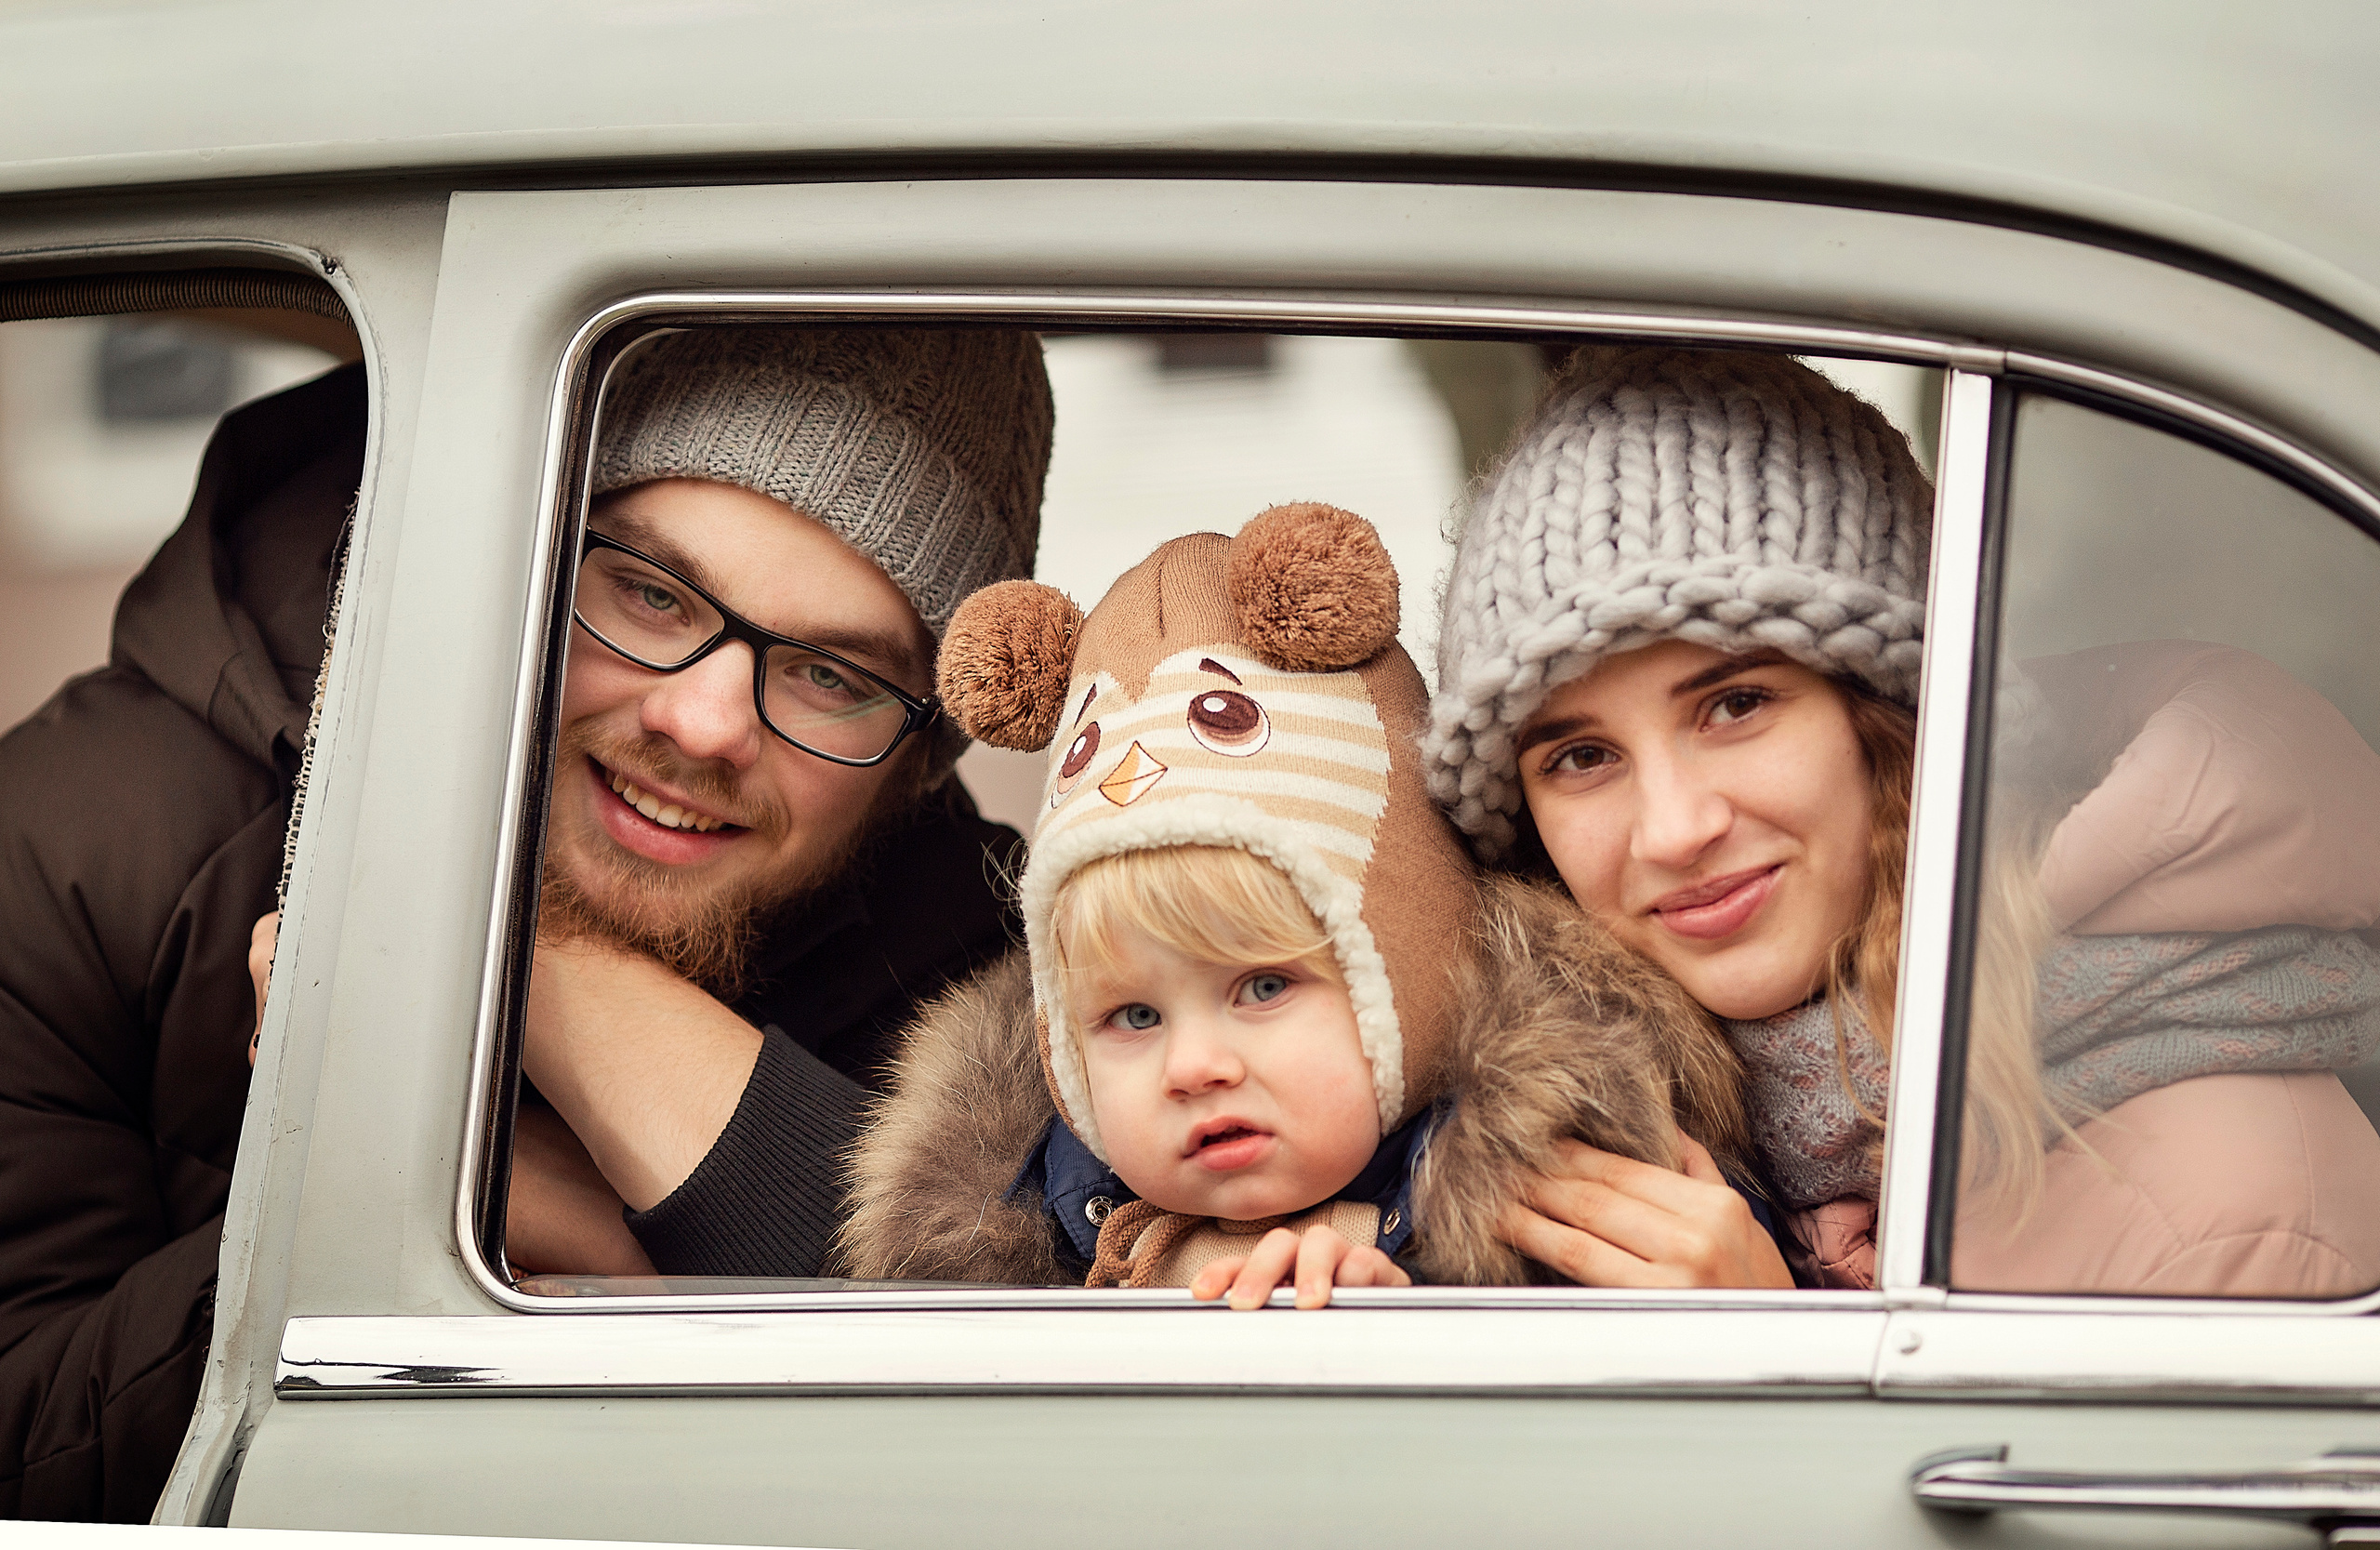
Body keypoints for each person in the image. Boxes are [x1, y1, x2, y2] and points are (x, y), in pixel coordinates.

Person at [1424, 345, 2380, 1296]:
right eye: (1581, 757)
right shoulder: (1525, 1132)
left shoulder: (2230, 1209)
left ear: (1891, 721)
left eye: (1736, 703)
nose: (1674, 830)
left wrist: (1761, 1349)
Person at [838, 503, 1773, 1298]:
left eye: (1264, 986)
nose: (1194, 1065)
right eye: (1130, 1013)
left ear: (1409, 977)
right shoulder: (999, 1254)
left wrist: (1412, 1328)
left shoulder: (1599, 1194)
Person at [1, 362, 364, 1520]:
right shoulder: (74, 841)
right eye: (653, 595)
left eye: (829, 671)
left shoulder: (909, 870)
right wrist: (356, 1193)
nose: (705, 719)